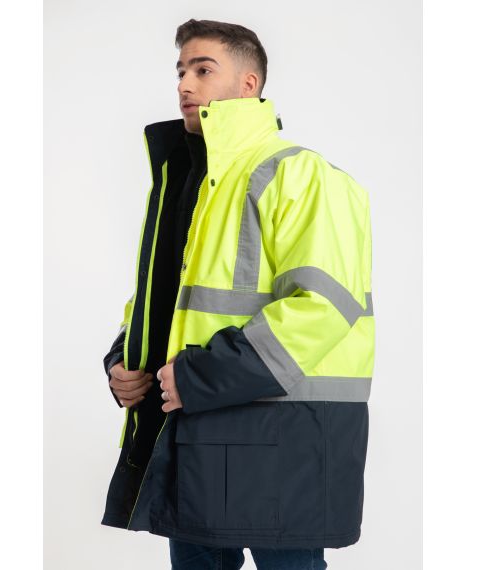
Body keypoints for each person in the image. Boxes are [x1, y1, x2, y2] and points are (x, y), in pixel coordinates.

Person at [101, 18, 375, 570]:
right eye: (181, 71)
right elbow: (165, 299)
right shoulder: (188, 180)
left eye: (203, 70)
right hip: (195, 432)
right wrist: (126, 359)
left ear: (249, 84)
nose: (185, 84)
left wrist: (199, 375)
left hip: (283, 437)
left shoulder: (299, 174)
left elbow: (325, 307)